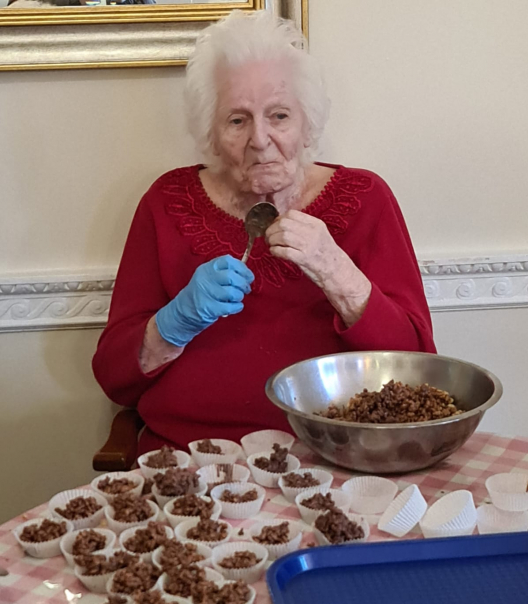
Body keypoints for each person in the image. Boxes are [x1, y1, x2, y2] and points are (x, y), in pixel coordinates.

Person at [92, 10, 436, 454]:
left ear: (307, 123)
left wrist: (335, 271)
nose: (260, 139)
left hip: (336, 458)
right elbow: (114, 378)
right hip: (187, 460)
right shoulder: (165, 202)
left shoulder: (366, 199)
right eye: (237, 120)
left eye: (278, 116)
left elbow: (418, 367)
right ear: (210, 134)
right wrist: (172, 324)